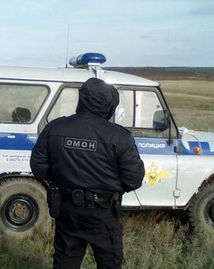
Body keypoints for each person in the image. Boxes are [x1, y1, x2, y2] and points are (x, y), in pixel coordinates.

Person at [30, 77, 145, 269]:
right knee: (109, 263)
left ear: (81, 99)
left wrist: (62, 182)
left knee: (65, 261)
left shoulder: (55, 128)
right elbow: (133, 179)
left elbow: (39, 167)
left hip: (67, 210)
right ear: (110, 105)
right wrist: (108, 187)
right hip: (102, 212)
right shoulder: (119, 136)